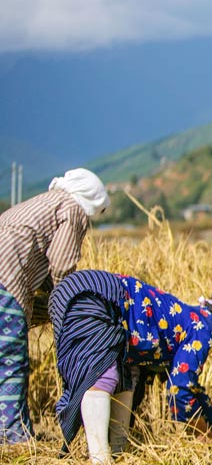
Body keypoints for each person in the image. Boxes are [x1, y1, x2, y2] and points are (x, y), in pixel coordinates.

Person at [48, 269, 212, 464]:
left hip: (68, 295)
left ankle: (117, 453)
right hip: (98, 295)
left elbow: (192, 388)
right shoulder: (204, 330)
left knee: (126, 377)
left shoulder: (195, 320)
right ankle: (100, 459)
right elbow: (180, 389)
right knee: (102, 374)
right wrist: (202, 432)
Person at [0, 168, 109, 444]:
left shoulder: (47, 202)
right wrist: (69, 304)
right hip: (6, 279)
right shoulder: (73, 208)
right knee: (10, 360)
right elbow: (60, 266)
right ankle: (13, 436)